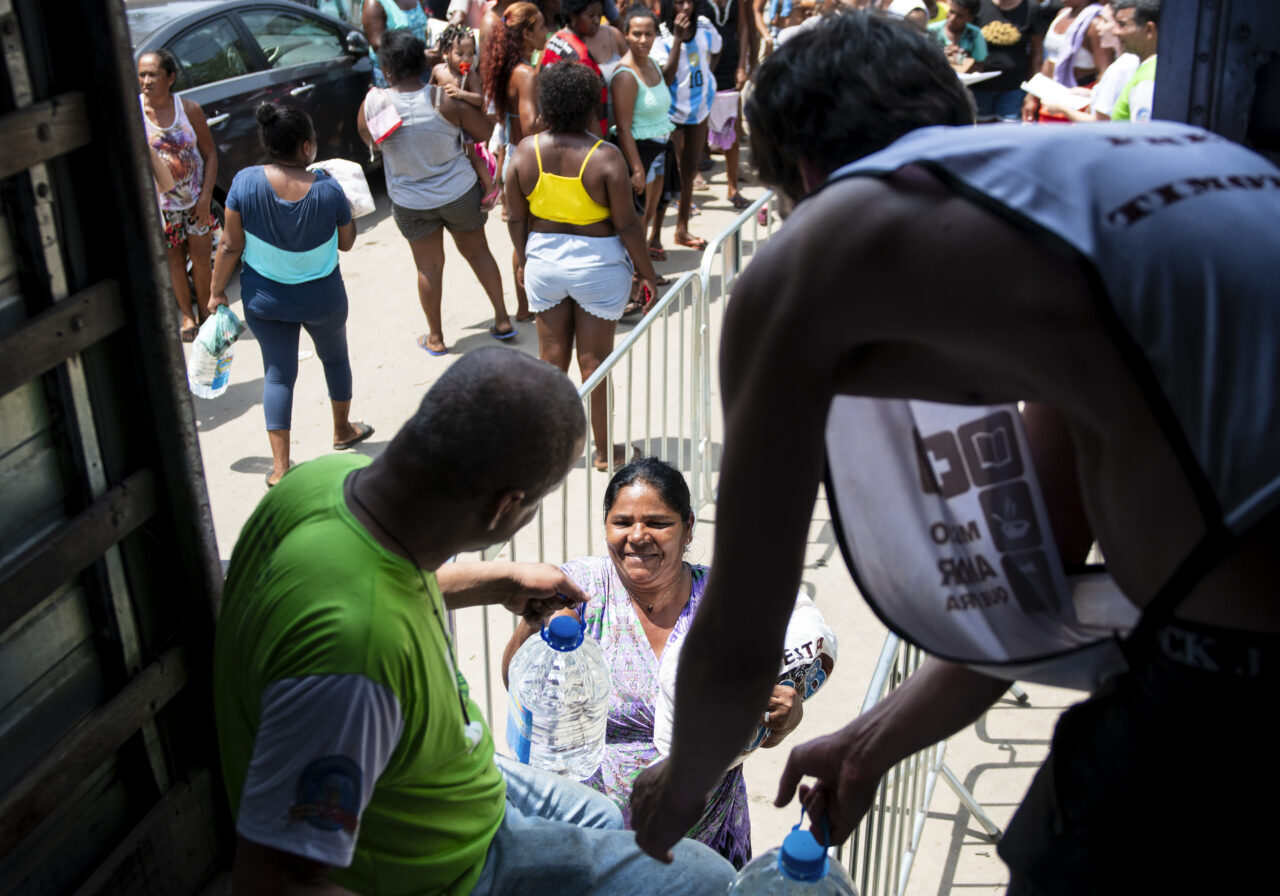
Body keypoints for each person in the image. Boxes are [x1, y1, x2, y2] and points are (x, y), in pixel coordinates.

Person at [627, 11, 1280, 893]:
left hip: (1227, 682)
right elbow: (1026, 585)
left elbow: (740, 644)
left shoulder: (819, 247)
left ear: (808, 179)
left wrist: (674, 803)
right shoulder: (1089, 202)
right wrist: (871, 740)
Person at [212, 348, 737, 896]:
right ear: (504, 508)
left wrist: (497, 581)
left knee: (602, 815)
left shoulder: (324, 481)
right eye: (537, 501)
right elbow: (274, 881)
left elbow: (369, 582)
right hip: (454, 870)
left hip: (453, 785)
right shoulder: (355, 661)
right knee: (708, 878)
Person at [500, 457, 837, 869]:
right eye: (622, 521)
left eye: (658, 523)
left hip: (704, 838)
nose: (637, 536)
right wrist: (536, 630)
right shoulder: (578, 591)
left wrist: (785, 717)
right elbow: (515, 681)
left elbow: (755, 721)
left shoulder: (728, 605)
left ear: (688, 526)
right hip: (592, 841)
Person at [208, 104, 371, 488]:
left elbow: (230, 246)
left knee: (278, 376)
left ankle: (280, 468)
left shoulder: (245, 183)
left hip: (266, 301)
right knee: (335, 359)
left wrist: (215, 293)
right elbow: (346, 244)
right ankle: (342, 430)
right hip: (323, 300)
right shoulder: (329, 190)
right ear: (305, 147)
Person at [506, 62, 658, 473]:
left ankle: (543, 451)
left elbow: (515, 217)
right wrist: (645, 273)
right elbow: (627, 224)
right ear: (592, 107)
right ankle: (606, 452)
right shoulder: (606, 157)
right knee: (595, 364)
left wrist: (521, 257)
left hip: (544, 262)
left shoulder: (524, 151)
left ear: (546, 104)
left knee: (551, 360)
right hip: (599, 266)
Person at [358, 31, 515, 355]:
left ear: (386, 69)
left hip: (410, 201)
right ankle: (502, 320)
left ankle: (436, 338)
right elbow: (487, 132)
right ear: (423, 63)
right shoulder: (443, 99)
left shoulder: (375, 101)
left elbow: (370, 140)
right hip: (458, 194)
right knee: (478, 254)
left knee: (428, 268)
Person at [137, 49, 219, 343]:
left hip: (196, 201)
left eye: (153, 74)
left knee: (200, 259)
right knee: (173, 261)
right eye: (142, 74)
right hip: (163, 208)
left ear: (170, 78)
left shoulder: (189, 111)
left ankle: (207, 314)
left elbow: (210, 155)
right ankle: (186, 315)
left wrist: (205, 197)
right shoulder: (136, 115)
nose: (146, 81)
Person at [482, 1, 548, 321]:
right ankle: (530, 304)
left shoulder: (508, 68)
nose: (546, 33)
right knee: (532, 235)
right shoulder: (525, 73)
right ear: (526, 33)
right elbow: (532, 124)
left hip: (512, 158)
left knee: (520, 238)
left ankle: (523, 307)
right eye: (541, 28)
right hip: (529, 162)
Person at [611, 3, 675, 276]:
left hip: (660, 150)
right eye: (637, 34)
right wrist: (637, 169)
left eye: (649, 34)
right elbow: (623, 128)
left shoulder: (654, 65)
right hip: (639, 153)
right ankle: (634, 277)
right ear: (625, 34)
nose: (643, 40)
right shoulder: (625, 75)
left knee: (648, 214)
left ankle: (641, 271)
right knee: (635, 220)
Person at [652, 0, 722, 252]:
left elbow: (717, 48)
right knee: (667, 174)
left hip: (699, 108)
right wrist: (679, 39)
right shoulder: (661, 35)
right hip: (671, 112)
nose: (685, 7)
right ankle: (656, 236)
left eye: (689, 1)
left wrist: (707, 75)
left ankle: (682, 228)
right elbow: (667, 76)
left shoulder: (704, 25)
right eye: (679, 2)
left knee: (689, 170)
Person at [429, 24, 500, 208]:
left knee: (471, 153)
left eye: (471, 54)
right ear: (446, 52)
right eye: (460, 54)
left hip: (465, 126)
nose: (466, 59)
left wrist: (461, 94)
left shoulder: (470, 75)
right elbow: (427, 92)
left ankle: (490, 187)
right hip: (443, 124)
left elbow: (479, 99)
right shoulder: (438, 71)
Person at [699, 0, 752, 209]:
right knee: (697, 126)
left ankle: (732, 187)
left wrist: (742, 65)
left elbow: (744, 26)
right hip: (701, 66)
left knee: (732, 126)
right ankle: (694, 172)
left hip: (730, 65)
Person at [1025, 0, 1114, 121]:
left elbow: (1105, 71)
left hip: (1078, 103)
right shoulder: (1062, 14)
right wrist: (1032, 95)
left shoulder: (1095, 23)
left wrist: (1093, 104)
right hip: (1049, 99)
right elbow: (1050, 59)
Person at [539, 0, 615, 136]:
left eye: (599, 15)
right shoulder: (580, 55)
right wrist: (599, 145)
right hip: (581, 136)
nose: (597, 21)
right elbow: (587, 110)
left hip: (555, 129)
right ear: (573, 16)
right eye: (591, 16)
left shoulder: (555, 38)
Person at [970, 0, 1047, 123]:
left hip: (1014, 88)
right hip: (980, 88)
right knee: (983, 136)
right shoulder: (979, 4)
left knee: (1008, 136)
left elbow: (1037, 53)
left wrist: (1032, 93)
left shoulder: (1031, 9)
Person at [362, 0, 434, 87]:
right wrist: (420, 57)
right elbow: (379, 46)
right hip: (395, 75)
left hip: (421, 69)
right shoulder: (373, 3)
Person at [1109, 0, 1158, 122]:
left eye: (1122, 24)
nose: (1115, 32)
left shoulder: (1146, 82)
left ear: (1148, 30)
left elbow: (1141, 136)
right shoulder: (1148, 68)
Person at [928, 0, 987, 68]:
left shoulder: (975, 34)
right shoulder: (931, 31)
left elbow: (979, 65)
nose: (952, 18)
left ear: (970, 18)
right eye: (951, 12)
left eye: (959, 16)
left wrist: (964, 59)